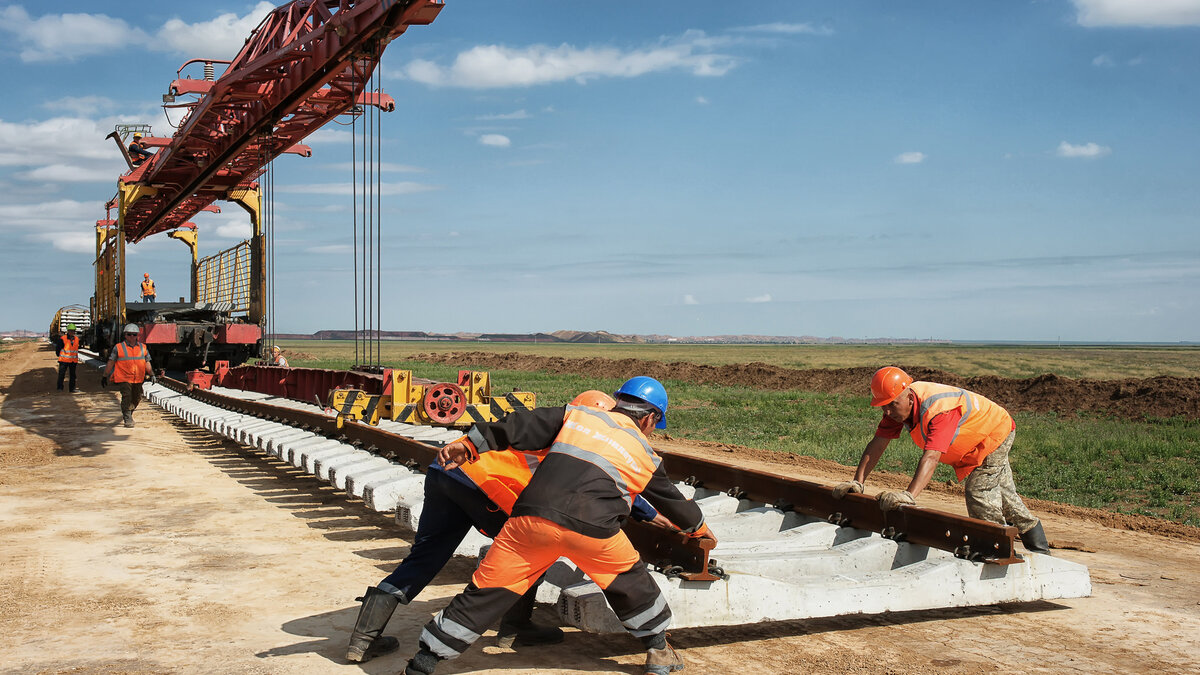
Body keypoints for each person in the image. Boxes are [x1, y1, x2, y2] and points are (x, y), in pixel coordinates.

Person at [403, 376, 713, 675]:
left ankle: (424, 662)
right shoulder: (646, 454)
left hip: (530, 521)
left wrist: (470, 444)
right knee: (631, 582)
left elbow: (521, 425)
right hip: (594, 531)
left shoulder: (577, 416)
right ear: (650, 418)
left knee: (485, 592)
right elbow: (672, 501)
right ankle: (658, 650)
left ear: (618, 401)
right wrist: (698, 528)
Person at [346, 390, 665, 663]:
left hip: (448, 474)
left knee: (425, 557)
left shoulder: (559, 422)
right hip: (486, 489)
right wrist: (653, 515)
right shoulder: (583, 437)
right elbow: (611, 486)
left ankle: (363, 639)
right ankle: (515, 628)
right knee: (534, 552)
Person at [833, 366, 1050, 555]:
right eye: (883, 406)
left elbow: (932, 456)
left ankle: (995, 550)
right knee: (1005, 496)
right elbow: (878, 443)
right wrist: (857, 482)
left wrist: (909, 495)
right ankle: (1039, 547)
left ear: (908, 396)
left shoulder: (939, 410)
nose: (887, 411)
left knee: (980, 492)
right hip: (976, 439)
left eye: (892, 404)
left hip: (993, 433)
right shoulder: (898, 408)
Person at [101, 324, 156, 428]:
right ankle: (127, 418)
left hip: (138, 378)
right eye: (129, 334)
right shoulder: (118, 347)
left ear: (137, 336)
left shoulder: (143, 347)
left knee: (137, 397)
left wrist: (152, 374)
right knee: (127, 396)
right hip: (124, 377)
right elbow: (111, 362)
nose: (132, 336)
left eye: (134, 334)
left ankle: (128, 413)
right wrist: (105, 376)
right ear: (125, 335)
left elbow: (147, 362)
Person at [54, 324, 80, 393]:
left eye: (73, 331)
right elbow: (58, 349)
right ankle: (60, 388)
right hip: (64, 360)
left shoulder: (76, 339)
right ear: (68, 331)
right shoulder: (63, 339)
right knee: (61, 375)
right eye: (71, 331)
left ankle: (72, 389)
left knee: (73, 376)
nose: (72, 332)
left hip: (73, 361)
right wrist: (59, 355)